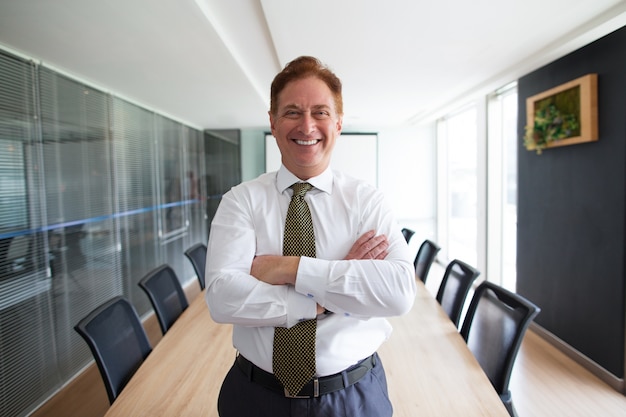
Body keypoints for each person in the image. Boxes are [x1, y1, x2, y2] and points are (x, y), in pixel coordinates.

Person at [205, 56, 416, 417]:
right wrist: (327, 295)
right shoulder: (241, 201)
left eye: (320, 112)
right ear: (272, 122)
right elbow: (222, 298)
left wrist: (290, 268)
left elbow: (398, 293)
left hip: (352, 397)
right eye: (291, 112)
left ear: (338, 122)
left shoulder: (367, 201)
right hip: (255, 397)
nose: (307, 125)